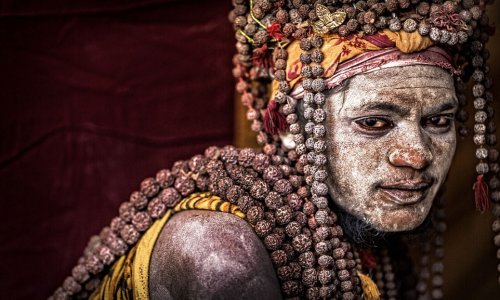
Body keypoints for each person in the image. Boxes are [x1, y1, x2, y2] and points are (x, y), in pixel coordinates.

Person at [51, 1, 499, 299]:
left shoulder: (366, 243)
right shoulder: (218, 254)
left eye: (438, 121)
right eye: (374, 122)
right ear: (287, 126)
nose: (417, 154)